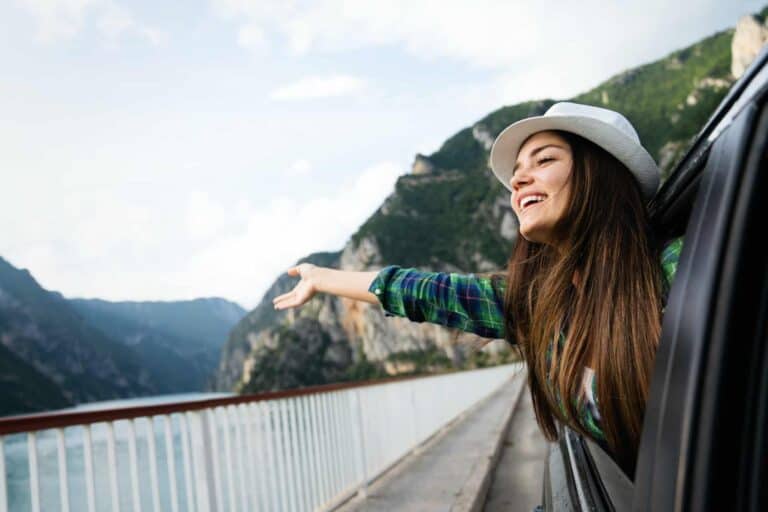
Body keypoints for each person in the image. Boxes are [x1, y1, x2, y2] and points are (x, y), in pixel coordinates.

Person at [272, 101, 684, 482]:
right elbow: (430, 293)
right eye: (519, 170)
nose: (519, 179)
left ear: (601, 175)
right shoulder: (540, 305)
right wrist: (320, 278)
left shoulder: (678, 269)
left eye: (544, 160)